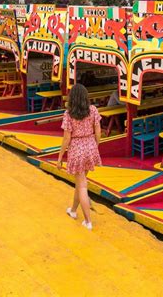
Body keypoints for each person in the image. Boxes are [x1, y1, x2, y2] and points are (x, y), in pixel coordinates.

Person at [57, 83, 102, 230]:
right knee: (80, 182)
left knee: (82, 184)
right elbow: (98, 131)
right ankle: (73, 210)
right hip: (90, 145)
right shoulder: (93, 110)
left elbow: (66, 139)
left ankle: (88, 221)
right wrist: (95, 146)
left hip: (76, 148)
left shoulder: (69, 114)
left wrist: (59, 157)